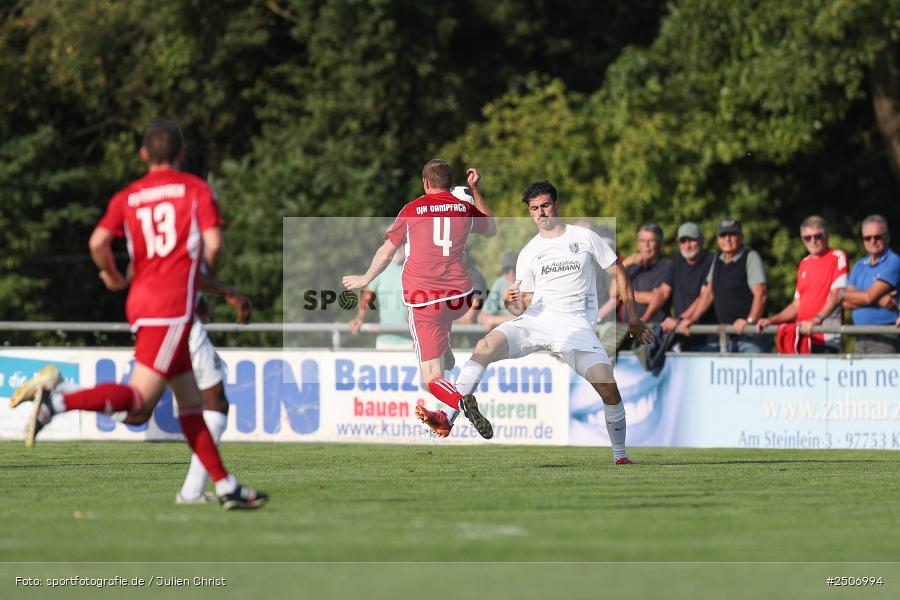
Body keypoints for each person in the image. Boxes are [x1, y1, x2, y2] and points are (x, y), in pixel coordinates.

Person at [9, 119, 266, 510]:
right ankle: (58, 400)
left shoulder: (128, 196)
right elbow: (214, 244)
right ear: (180, 154)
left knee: (191, 403)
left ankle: (225, 486)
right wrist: (209, 277)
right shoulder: (195, 189)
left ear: (144, 155)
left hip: (143, 303)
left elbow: (98, 241)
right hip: (172, 307)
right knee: (138, 403)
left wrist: (112, 276)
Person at [415, 180, 654, 464]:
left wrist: (634, 317)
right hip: (536, 321)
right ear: (529, 212)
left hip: (575, 327)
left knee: (608, 388)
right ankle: (447, 417)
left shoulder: (584, 237)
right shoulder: (529, 252)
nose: (541, 213)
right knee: (484, 347)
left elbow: (620, 273)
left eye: (545, 206)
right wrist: (510, 300)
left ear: (557, 205)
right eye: (534, 208)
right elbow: (522, 304)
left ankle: (620, 455)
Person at [342, 160, 497, 439]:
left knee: (432, 379)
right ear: (449, 183)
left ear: (425, 183)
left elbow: (387, 252)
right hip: (460, 296)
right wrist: (474, 191)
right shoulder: (463, 207)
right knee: (443, 345)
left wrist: (364, 278)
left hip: (424, 301)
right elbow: (491, 228)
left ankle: (461, 401)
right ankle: (445, 352)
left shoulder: (412, 210)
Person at [756, 216, 848, 353]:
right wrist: (772, 320)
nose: (813, 241)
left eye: (818, 236)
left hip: (825, 337)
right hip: (802, 337)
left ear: (827, 235)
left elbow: (837, 295)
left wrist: (815, 321)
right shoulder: (804, 263)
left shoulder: (838, 256)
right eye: (807, 238)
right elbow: (796, 305)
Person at [678, 218, 771, 353]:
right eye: (723, 235)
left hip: (750, 336)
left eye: (732, 234)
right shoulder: (718, 260)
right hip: (726, 336)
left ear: (741, 237)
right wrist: (691, 319)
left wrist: (750, 321)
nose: (727, 238)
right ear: (718, 239)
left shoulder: (750, 257)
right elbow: (708, 293)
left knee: (749, 373)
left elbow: (760, 293)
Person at [843, 215, 900, 353]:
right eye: (868, 238)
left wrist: (854, 296)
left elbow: (866, 297)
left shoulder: (894, 262)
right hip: (860, 336)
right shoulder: (859, 264)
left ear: (887, 237)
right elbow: (845, 302)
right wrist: (879, 300)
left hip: (886, 335)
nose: (873, 241)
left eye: (878, 237)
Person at [659, 222, 717, 352]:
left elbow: (705, 296)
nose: (687, 245)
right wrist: (643, 318)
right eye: (683, 241)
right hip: (683, 336)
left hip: (707, 338)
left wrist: (681, 319)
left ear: (702, 241)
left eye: (692, 240)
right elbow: (663, 292)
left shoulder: (713, 260)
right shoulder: (677, 259)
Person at [348, 245, 414, 350]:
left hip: (411, 341)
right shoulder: (381, 267)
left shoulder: (414, 267)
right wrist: (360, 317)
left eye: (403, 242)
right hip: (384, 342)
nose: (399, 247)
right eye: (396, 243)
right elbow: (367, 294)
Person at [621, 224, 671, 324]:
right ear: (638, 245)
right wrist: (625, 264)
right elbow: (613, 292)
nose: (646, 245)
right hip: (627, 330)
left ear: (660, 244)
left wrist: (627, 295)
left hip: (653, 330)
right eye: (643, 241)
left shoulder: (666, 266)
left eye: (651, 241)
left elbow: (657, 297)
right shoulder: (632, 265)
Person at [477, 251, 518, 331]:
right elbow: (481, 317)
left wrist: (493, 320)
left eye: (514, 269)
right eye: (507, 270)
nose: (511, 273)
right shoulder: (500, 283)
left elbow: (524, 320)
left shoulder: (528, 284)